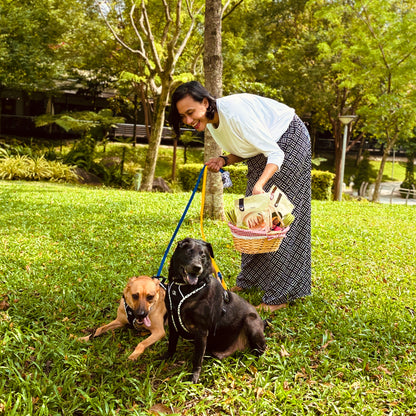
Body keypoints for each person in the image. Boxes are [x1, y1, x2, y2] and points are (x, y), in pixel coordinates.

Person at [168, 81, 311, 313]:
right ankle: (251, 280)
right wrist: (224, 160)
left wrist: (260, 185)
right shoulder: (212, 123)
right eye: (183, 116)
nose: (188, 121)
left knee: (277, 218)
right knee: (252, 219)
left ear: (205, 102)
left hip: (288, 139)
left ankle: (280, 295)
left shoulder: (234, 114)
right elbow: (245, 147)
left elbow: (275, 152)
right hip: (265, 149)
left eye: (190, 113)